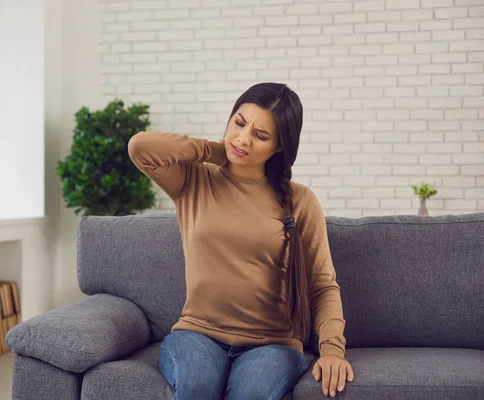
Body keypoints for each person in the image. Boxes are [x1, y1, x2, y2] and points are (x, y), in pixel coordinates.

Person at [127, 82, 354, 399]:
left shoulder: (300, 200)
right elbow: (140, 147)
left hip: (273, 345)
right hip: (197, 335)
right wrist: (218, 151)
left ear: (279, 148)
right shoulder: (194, 180)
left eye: (260, 136)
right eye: (239, 122)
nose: (244, 139)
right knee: (196, 388)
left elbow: (323, 286)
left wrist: (332, 350)